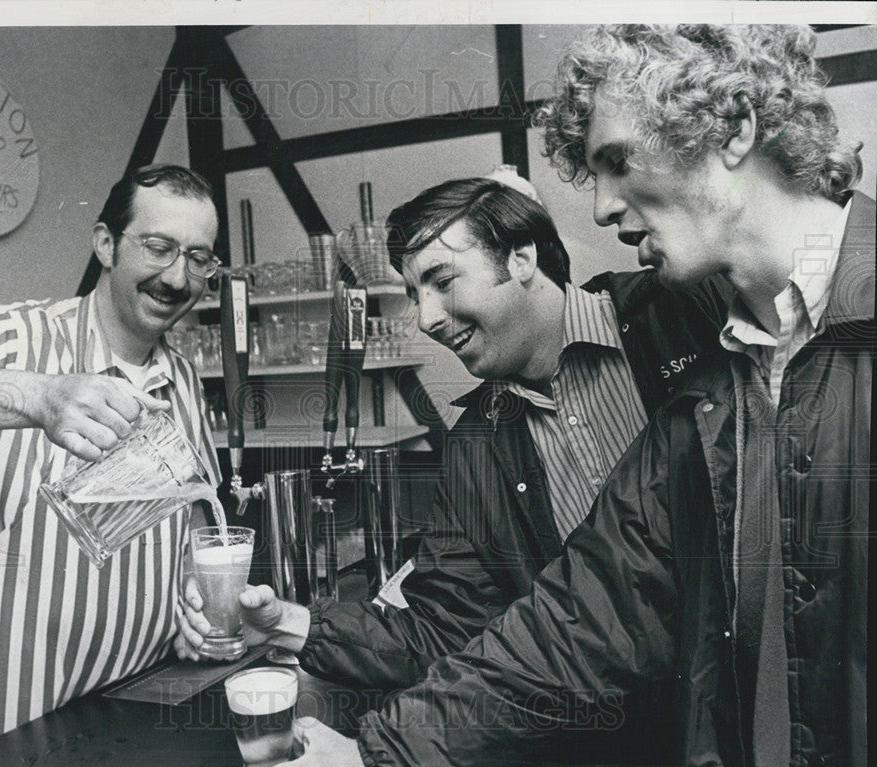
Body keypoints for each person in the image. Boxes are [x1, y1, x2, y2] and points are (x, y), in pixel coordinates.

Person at [247, 24, 870, 767]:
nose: (604, 206)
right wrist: (380, 753)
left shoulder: (692, 329)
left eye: (616, 161)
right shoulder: (723, 375)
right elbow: (587, 616)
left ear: (735, 128)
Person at [177, 170, 727, 707]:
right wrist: (287, 623)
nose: (426, 319)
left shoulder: (681, 312)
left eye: (442, 281)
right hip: (633, 727)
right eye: (416, 294)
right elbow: (443, 628)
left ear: (522, 257)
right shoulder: (476, 445)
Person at [0, 164, 224, 767]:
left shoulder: (187, 381)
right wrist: (37, 397)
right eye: (159, 247)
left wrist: (192, 598)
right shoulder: (19, 339)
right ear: (105, 244)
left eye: (199, 259)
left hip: (120, 720)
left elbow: (191, 519)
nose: (177, 277)